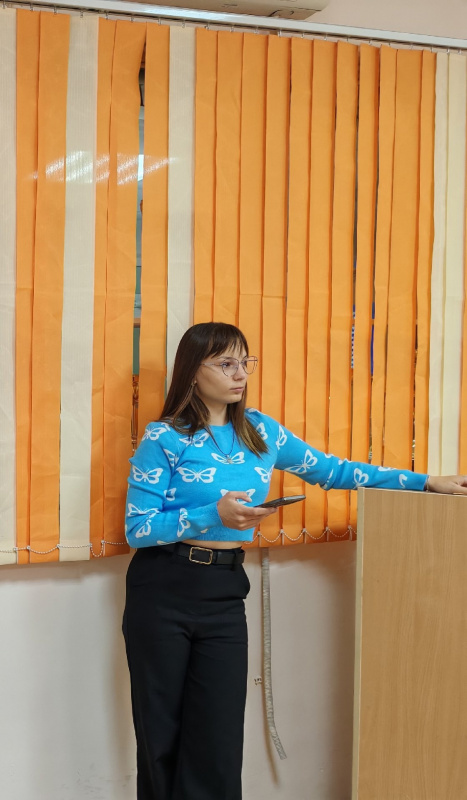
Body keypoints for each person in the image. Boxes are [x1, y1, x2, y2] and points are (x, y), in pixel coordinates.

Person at [122, 321, 467, 800]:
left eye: (245, 362)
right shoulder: (164, 438)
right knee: (161, 735)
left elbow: (335, 471)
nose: (240, 374)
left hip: (223, 591)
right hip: (163, 589)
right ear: (192, 371)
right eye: (226, 363)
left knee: (218, 737)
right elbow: (138, 529)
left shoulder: (261, 432)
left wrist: (426, 482)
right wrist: (212, 514)